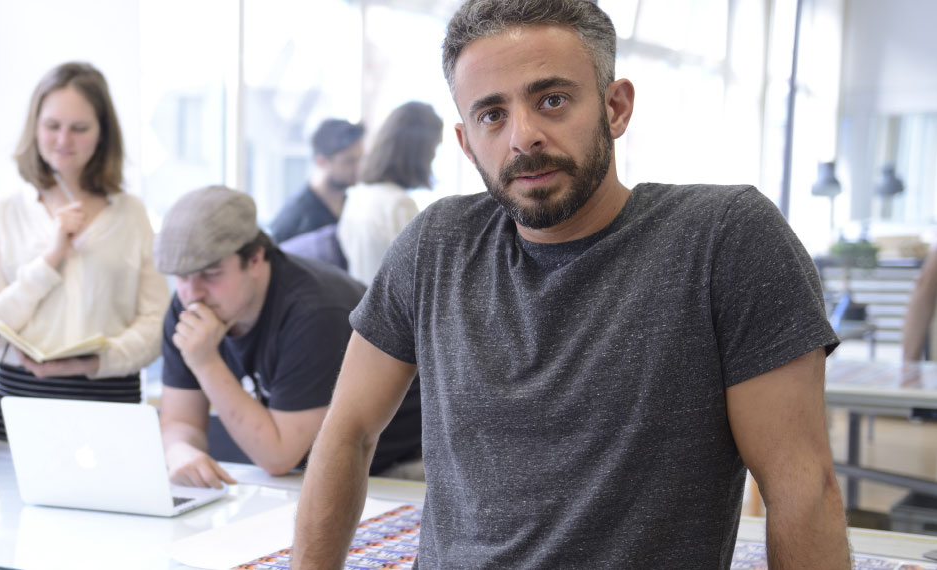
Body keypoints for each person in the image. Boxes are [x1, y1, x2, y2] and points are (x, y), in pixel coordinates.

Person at [293, 1, 851, 568]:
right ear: (466, 142)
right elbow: (349, 431)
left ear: (616, 107)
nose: (523, 137)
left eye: (552, 100)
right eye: (492, 115)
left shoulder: (723, 239)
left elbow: (800, 489)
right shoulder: (436, 243)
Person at [155, 186, 422, 488]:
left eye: (211, 274)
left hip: (397, 470)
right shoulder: (190, 306)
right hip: (313, 471)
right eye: (181, 277)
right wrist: (181, 453)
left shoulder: (314, 311)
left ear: (255, 259)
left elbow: (278, 456)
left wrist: (205, 362)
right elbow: (180, 420)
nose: (192, 295)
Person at [0, 61, 168, 441]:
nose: (64, 140)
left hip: (109, 399)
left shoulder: (131, 215)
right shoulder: (4, 213)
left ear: (102, 133)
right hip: (21, 401)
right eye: (52, 126)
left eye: (79, 128)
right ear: (35, 128)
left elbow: (155, 322)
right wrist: (51, 257)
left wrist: (97, 362)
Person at [337, 101, 443, 284]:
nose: (433, 157)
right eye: (433, 148)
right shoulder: (398, 204)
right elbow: (421, 280)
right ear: (417, 152)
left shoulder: (358, 195)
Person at [268, 119, 365, 243]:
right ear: (321, 161)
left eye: (360, 159)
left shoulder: (352, 207)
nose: (358, 168)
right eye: (349, 161)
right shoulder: (295, 219)